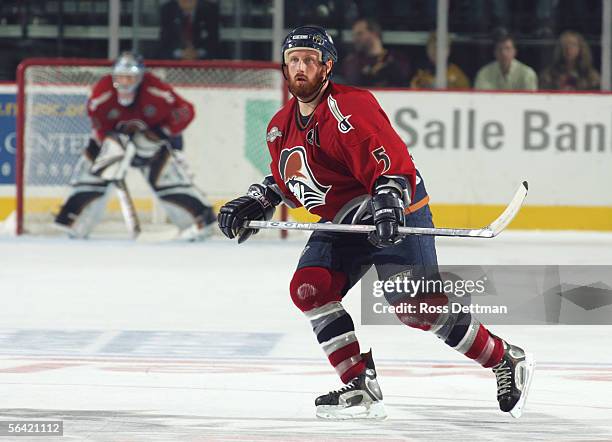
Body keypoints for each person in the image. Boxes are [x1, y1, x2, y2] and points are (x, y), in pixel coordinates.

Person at [218, 26, 535, 420]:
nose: (300, 68)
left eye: (309, 61)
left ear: (327, 66)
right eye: (294, 60)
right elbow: (290, 181)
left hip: (393, 209)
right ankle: (359, 385)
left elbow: (393, 167)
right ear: (285, 68)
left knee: (415, 308)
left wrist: (388, 204)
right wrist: (257, 200)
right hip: (345, 221)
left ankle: (506, 359)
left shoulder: (351, 107)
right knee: (309, 288)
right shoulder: (279, 127)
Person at [54, 52, 216, 239]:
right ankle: (74, 221)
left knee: (167, 179)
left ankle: (200, 221)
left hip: (152, 139)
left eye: (130, 77)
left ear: (140, 78)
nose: (125, 83)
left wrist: (161, 133)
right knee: (96, 171)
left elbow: (186, 111)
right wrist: (111, 143)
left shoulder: (156, 91)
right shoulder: (102, 95)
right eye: (121, 77)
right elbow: (98, 126)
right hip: (115, 138)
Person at [341, 18, 411, 87]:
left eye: (360, 33)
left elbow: (402, 81)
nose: (355, 39)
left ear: (374, 33)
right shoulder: (353, 62)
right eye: (354, 35)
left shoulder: (396, 59)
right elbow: (353, 82)